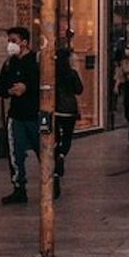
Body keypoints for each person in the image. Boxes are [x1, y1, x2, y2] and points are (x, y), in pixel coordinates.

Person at [0, 27, 40, 205]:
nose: (10, 44)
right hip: (16, 115)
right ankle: (19, 188)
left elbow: (46, 85)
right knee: (15, 153)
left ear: (25, 42)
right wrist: (9, 90)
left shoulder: (36, 61)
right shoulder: (9, 63)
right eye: (9, 41)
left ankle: (51, 182)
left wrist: (27, 87)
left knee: (43, 151)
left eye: (13, 40)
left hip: (36, 114)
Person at [52, 48, 83, 198]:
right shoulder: (72, 73)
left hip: (55, 109)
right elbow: (79, 90)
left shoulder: (52, 73)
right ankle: (62, 155)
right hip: (69, 109)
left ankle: (57, 156)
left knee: (56, 137)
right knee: (67, 137)